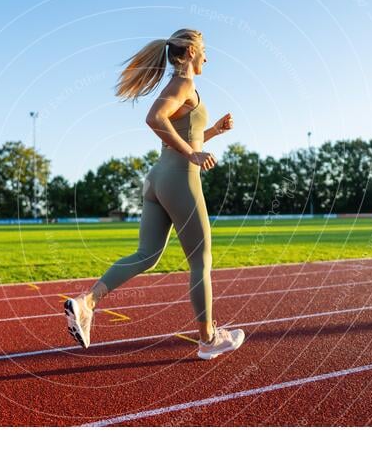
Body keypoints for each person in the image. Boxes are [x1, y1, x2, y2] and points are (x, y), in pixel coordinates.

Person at [64, 28, 244, 360]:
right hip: (179, 178)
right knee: (200, 262)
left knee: (146, 254)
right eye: (204, 50)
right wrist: (192, 154)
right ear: (190, 52)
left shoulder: (180, 87)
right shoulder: (183, 84)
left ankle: (87, 303)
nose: (207, 57)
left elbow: (180, 133)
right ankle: (208, 340)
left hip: (157, 178)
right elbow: (154, 118)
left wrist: (214, 132)